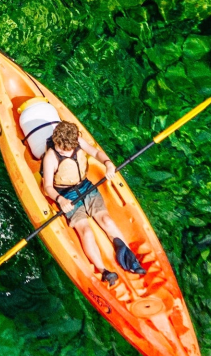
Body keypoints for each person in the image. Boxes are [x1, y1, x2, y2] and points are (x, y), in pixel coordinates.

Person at [27, 113, 149, 291]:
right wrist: (60, 200)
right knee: (86, 231)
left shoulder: (78, 142)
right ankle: (104, 270)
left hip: (86, 187)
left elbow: (97, 152)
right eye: (60, 149)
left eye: (65, 150)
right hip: (66, 194)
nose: (61, 151)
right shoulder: (51, 157)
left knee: (106, 220)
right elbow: (47, 187)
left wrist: (107, 163)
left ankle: (129, 257)